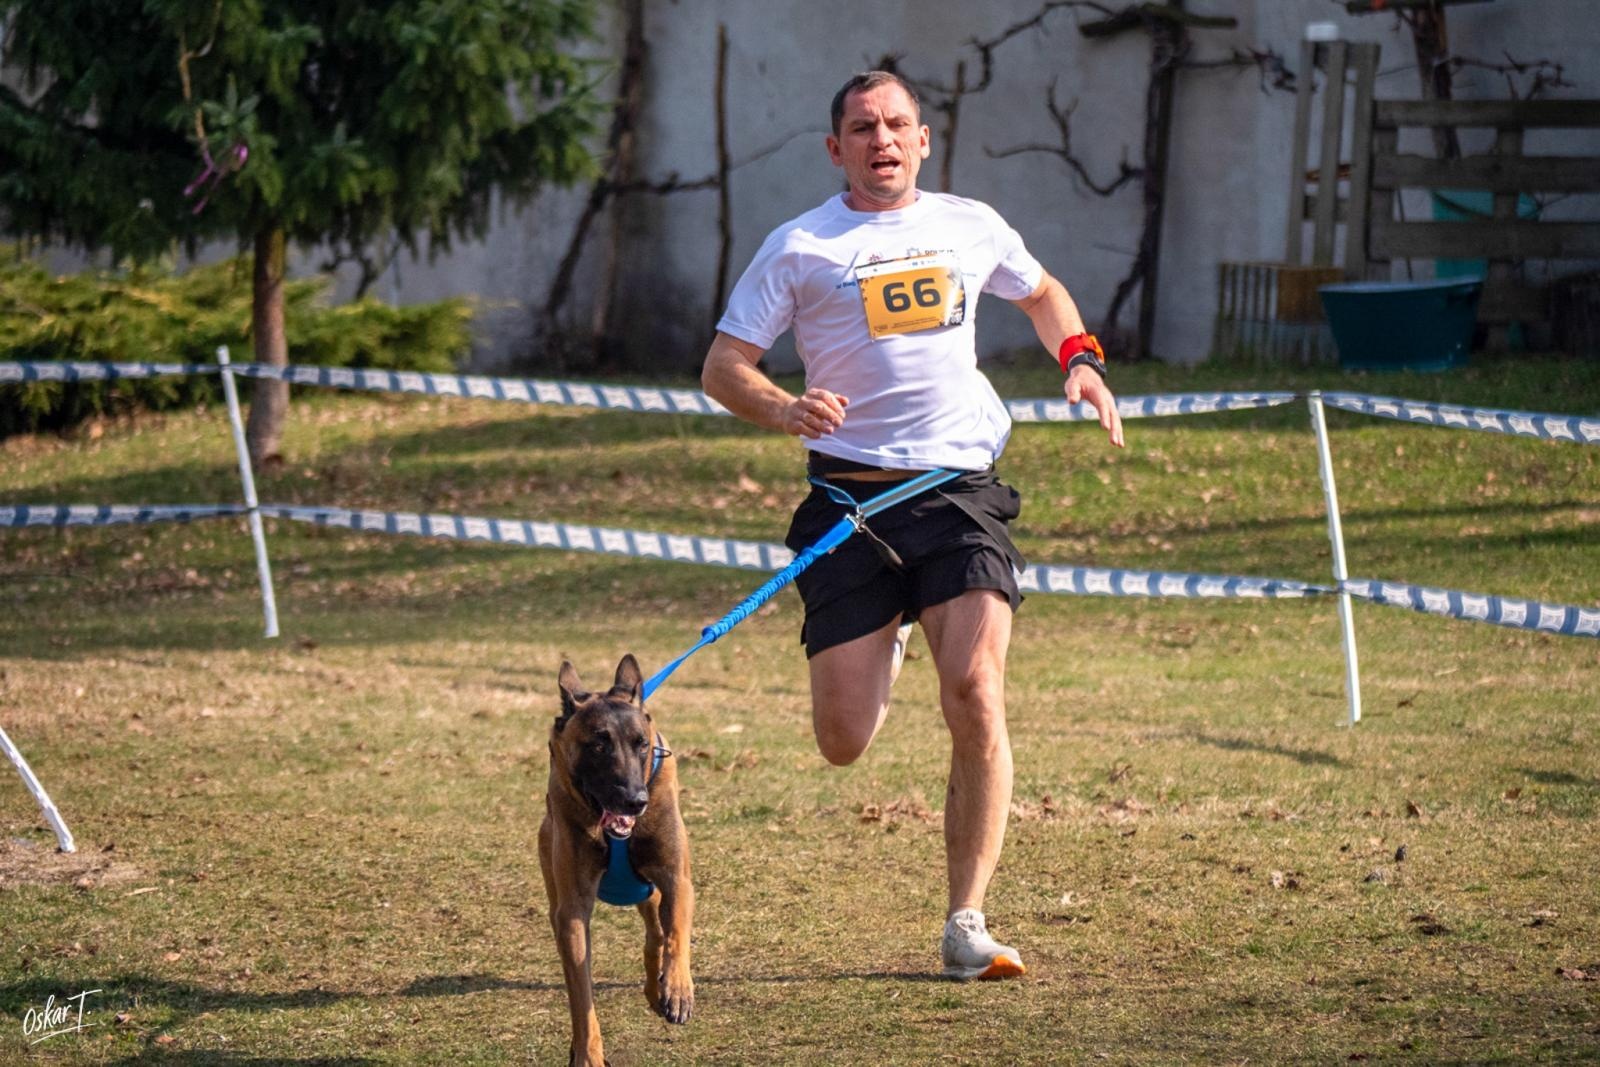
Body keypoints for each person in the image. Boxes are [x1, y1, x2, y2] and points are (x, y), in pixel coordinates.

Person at [701, 70, 1124, 981]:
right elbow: (724, 366)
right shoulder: (801, 245)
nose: (882, 139)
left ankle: (966, 919)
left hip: (958, 493)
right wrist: (783, 409)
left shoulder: (970, 223)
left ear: (923, 139)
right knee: (842, 740)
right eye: (862, 127)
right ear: (836, 147)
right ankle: (884, 639)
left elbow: (1045, 293)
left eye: (897, 124)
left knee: (974, 690)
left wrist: (1080, 361)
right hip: (850, 507)